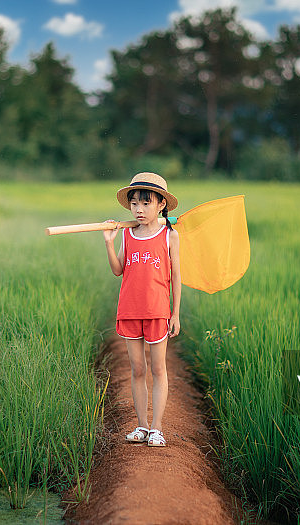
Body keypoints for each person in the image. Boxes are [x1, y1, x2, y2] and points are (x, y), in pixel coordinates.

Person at [103, 172, 181, 448]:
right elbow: (118, 270)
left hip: (158, 310)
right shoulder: (127, 235)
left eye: (146, 203)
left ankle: (157, 428)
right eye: (135, 203)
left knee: (158, 369)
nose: (139, 209)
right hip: (129, 310)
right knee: (137, 369)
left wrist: (176, 313)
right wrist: (109, 243)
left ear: (161, 205)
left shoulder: (169, 236)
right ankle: (142, 426)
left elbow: (177, 278)